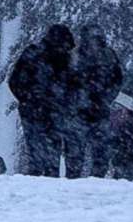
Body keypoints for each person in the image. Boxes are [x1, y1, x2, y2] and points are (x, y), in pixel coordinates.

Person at [7, 23, 86, 177]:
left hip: (35, 111)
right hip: (53, 112)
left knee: (35, 151)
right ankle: (49, 181)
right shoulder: (66, 60)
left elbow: (14, 81)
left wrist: (27, 99)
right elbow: (75, 86)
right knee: (51, 154)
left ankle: (37, 181)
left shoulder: (33, 54)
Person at [74, 26, 126, 176]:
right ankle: (76, 178)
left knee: (100, 149)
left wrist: (107, 97)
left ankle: (96, 178)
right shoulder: (76, 56)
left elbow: (118, 79)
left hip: (99, 108)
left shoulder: (108, 56)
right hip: (82, 109)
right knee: (79, 149)